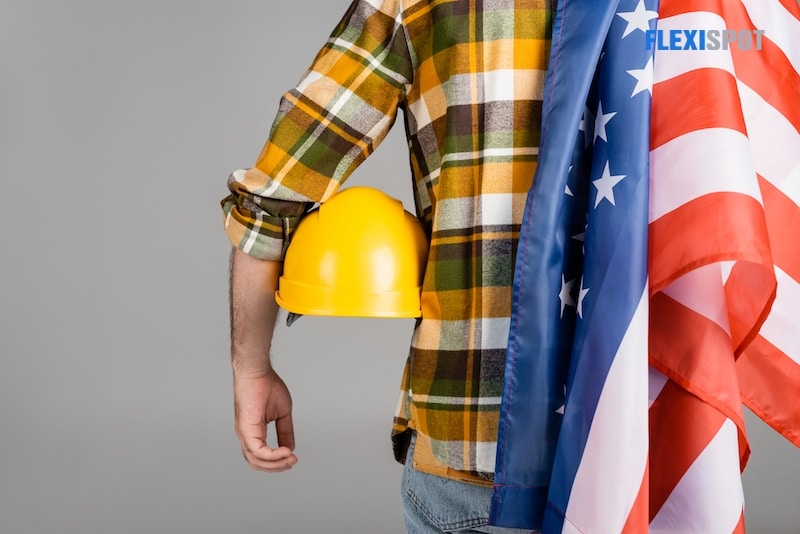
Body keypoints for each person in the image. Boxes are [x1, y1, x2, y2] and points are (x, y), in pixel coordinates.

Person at [222, 1, 552, 532]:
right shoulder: (707, 13)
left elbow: (276, 193)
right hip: (662, 440)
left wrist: (251, 367)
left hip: (479, 440)